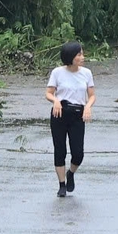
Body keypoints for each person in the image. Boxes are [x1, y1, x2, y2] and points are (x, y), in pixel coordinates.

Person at [44, 41, 95, 197]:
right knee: (60, 150)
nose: (82, 57)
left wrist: (87, 107)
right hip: (59, 113)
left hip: (78, 113)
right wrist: (56, 101)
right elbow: (49, 93)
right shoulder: (57, 72)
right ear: (70, 57)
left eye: (81, 54)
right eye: (79, 54)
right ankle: (61, 185)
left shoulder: (86, 73)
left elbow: (92, 96)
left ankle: (71, 173)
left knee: (78, 153)